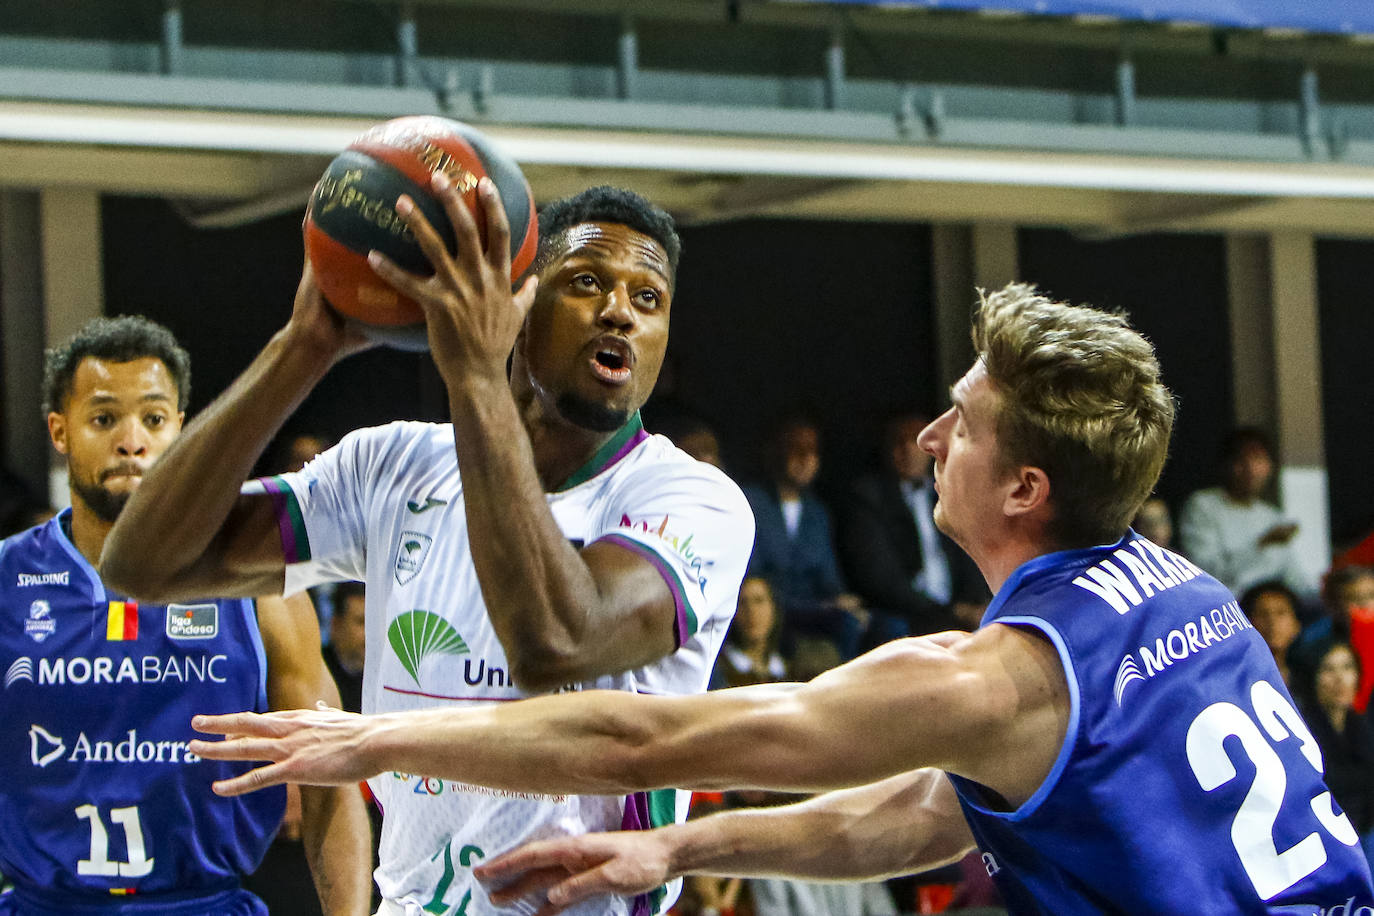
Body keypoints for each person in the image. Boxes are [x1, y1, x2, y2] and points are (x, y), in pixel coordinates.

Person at [184, 283, 1374, 915]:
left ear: (1024, 484)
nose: (929, 434)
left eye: (962, 421)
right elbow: (933, 814)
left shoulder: (997, 677)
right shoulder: (1187, 590)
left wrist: (372, 734)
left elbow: (638, 731)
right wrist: (682, 846)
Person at [100, 181, 754, 916]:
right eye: (587, 283)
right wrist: (302, 349)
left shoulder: (692, 500)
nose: (619, 313)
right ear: (517, 302)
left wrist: (474, 373)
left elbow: (557, 640)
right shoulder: (392, 467)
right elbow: (142, 563)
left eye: (648, 300)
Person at [0, 316, 369, 915]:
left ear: (181, 429)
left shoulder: (259, 586)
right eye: (103, 419)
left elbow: (333, 779)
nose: (131, 441)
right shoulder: (7, 582)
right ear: (59, 431)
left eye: (152, 419)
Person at [839, 409, 989, 638]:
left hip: (958, 610)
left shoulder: (951, 493)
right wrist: (949, 611)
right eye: (899, 442)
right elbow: (880, 577)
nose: (908, 449)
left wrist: (974, 605)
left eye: (915, 441)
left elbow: (972, 554)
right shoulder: (867, 498)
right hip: (905, 612)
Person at [743, 416, 875, 660]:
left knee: (858, 622)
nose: (805, 458)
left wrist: (841, 600)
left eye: (812, 451)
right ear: (775, 453)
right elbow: (754, 576)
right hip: (769, 609)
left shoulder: (817, 512)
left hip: (813, 610)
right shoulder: (751, 501)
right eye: (796, 449)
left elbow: (828, 577)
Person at [1178, 426, 1312, 597]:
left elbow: (1294, 577)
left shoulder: (1272, 515)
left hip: (1271, 607)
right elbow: (1205, 571)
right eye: (1242, 460)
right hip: (1225, 605)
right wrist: (1261, 544)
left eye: (1258, 460)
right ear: (1226, 465)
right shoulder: (1203, 505)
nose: (1251, 469)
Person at [1297, 641, 1374, 868]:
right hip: (1319, 837)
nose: (1340, 679)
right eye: (1328, 669)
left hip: (1364, 832)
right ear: (1312, 676)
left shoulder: (1361, 725)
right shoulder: (1301, 729)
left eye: (1347, 667)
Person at [1239, 579, 1303, 688]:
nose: (1272, 622)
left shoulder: (1309, 675)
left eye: (1280, 613)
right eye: (1263, 614)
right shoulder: (1238, 678)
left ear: (1296, 624)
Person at [323, 581, 366, 714]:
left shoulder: (384, 675)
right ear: (336, 625)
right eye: (361, 622)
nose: (370, 634)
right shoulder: (316, 669)